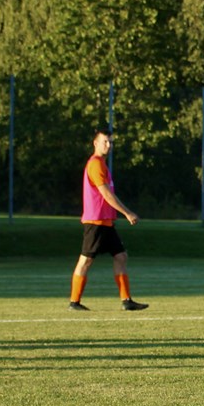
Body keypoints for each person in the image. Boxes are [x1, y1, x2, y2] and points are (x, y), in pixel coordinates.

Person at [69, 129, 148, 311]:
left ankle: (126, 301)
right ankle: (74, 302)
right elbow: (106, 194)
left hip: (106, 221)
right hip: (95, 221)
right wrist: (127, 213)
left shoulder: (102, 164)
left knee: (121, 256)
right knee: (85, 261)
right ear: (95, 143)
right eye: (105, 141)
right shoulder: (95, 164)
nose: (108, 145)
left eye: (110, 142)